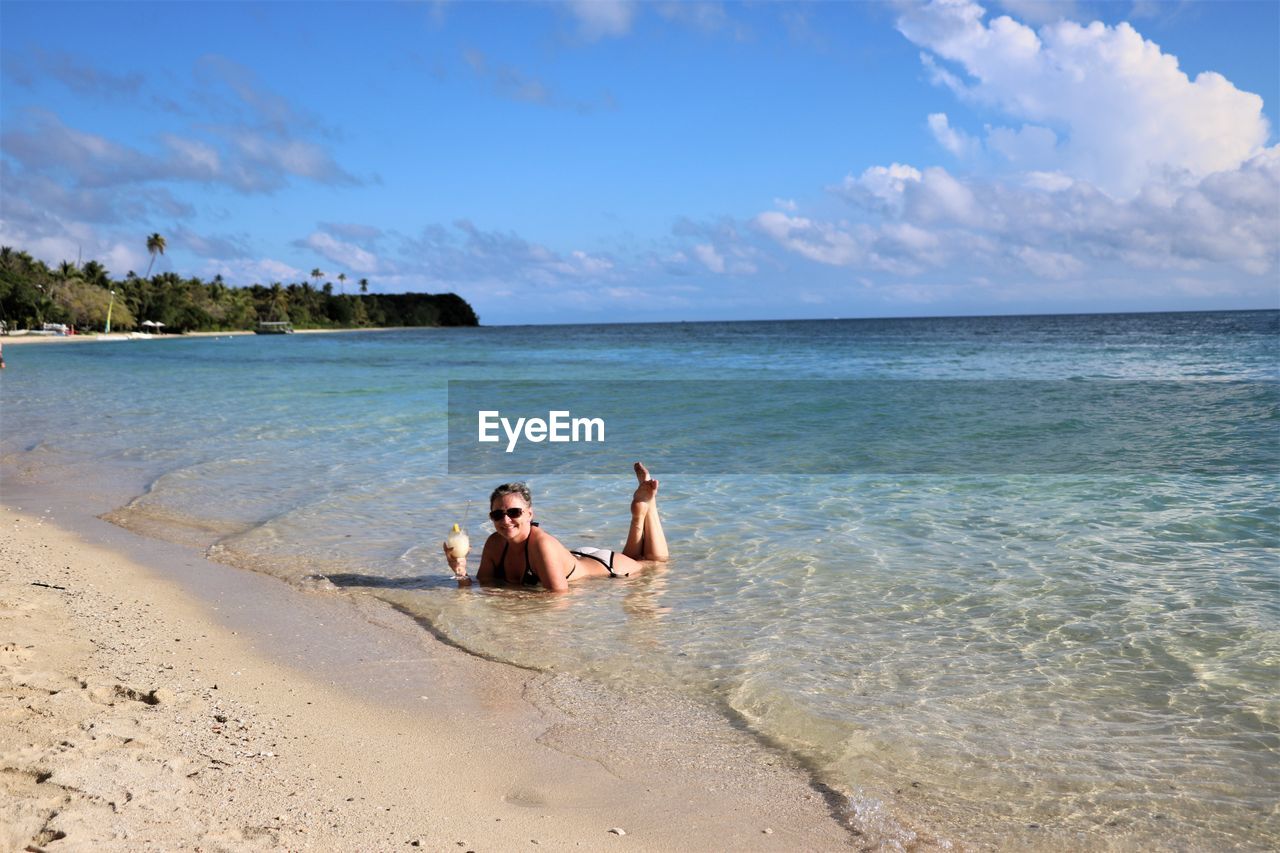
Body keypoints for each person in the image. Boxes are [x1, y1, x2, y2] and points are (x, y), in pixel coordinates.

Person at [445, 462, 669, 592]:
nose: (505, 521)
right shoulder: (495, 543)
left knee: (652, 563)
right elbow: (483, 586)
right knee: (639, 558)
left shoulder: (540, 545)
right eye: (498, 514)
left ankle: (647, 505)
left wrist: (511, 599)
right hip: (576, 558)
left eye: (514, 513)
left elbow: (558, 598)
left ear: (530, 514)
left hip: (607, 567)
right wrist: (460, 572)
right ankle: (640, 512)